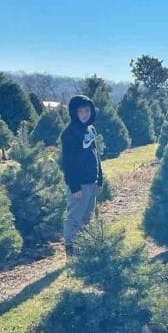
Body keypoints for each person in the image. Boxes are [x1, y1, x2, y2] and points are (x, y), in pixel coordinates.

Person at [60, 94, 103, 255]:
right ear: (74, 113)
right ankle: (71, 249)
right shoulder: (69, 133)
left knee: (87, 216)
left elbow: (95, 155)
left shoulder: (90, 129)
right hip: (79, 184)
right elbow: (68, 163)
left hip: (92, 181)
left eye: (87, 110)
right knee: (74, 217)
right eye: (81, 111)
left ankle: (84, 245)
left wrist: (100, 179)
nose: (85, 114)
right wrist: (74, 187)